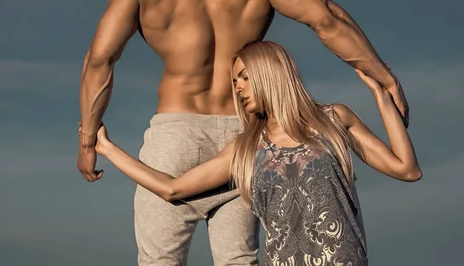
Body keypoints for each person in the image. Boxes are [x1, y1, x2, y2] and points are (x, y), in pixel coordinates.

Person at [78, 0, 409, 266]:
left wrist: (89, 140)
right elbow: (328, 19)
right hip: (244, 135)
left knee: (159, 261)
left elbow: (99, 61)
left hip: (175, 135)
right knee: (238, 259)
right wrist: (385, 78)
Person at [90, 41, 421, 265]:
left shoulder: (334, 120)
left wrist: (380, 96)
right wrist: (107, 148)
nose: (239, 88)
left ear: (270, 74)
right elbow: (172, 188)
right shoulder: (248, 147)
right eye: (236, 82)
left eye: (245, 78)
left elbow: (407, 169)